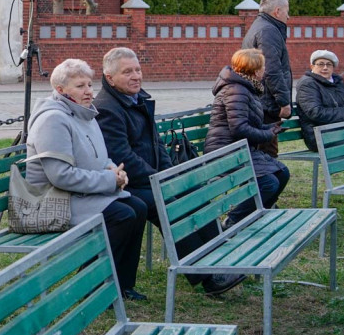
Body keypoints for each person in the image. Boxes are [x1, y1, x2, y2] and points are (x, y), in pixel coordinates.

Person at [94, 48, 245, 295]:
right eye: (127, 72)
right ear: (110, 78)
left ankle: (221, 259)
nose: (136, 76)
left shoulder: (137, 99)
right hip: (127, 184)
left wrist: (172, 174)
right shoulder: (108, 108)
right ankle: (207, 278)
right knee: (169, 207)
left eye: (138, 70)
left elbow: (156, 145)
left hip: (151, 178)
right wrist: (159, 179)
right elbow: (123, 158)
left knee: (195, 192)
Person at [26, 58, 146, 301]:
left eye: (90, 85)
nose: (89, 91)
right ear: (61, 90)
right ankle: (91, 285)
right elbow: (60, 177)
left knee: (139, 207)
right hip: (53, 202)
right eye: (80, 86)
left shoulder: (84, 114)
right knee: (122, 216)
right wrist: (109, 180)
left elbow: (101, 157)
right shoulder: (52, 120)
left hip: (80, 194)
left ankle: (121, 284)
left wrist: (115, 171)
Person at [204, 48, 291, 225]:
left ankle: (256, 215)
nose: (265, 71)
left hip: (240, 149)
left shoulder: (246, 88)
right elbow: (239, 129)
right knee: (268, 183)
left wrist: (271, 127)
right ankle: (233, 220)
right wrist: (267, 134)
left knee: (282, 173)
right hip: (225, 151)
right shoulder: (236, 90)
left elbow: (248, 123)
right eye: (263, 67)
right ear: (255, 70)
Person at [242, 0, 292, 157]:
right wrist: (284, 102)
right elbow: (271, 70)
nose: (289, 16)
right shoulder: (268, 30)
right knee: (269, 155)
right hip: (266, 104)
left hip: (260, 101)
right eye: (287, 11)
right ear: (277, 11)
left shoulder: (260, 25)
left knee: (265, 154)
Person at [295, 49, 344, 151]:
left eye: (329, 64)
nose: (325, 67)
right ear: (312, 66)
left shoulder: (336, 82)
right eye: (320, 64)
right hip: (320, 136)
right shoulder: (307, 84)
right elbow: (316, 112)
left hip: (342, 130)